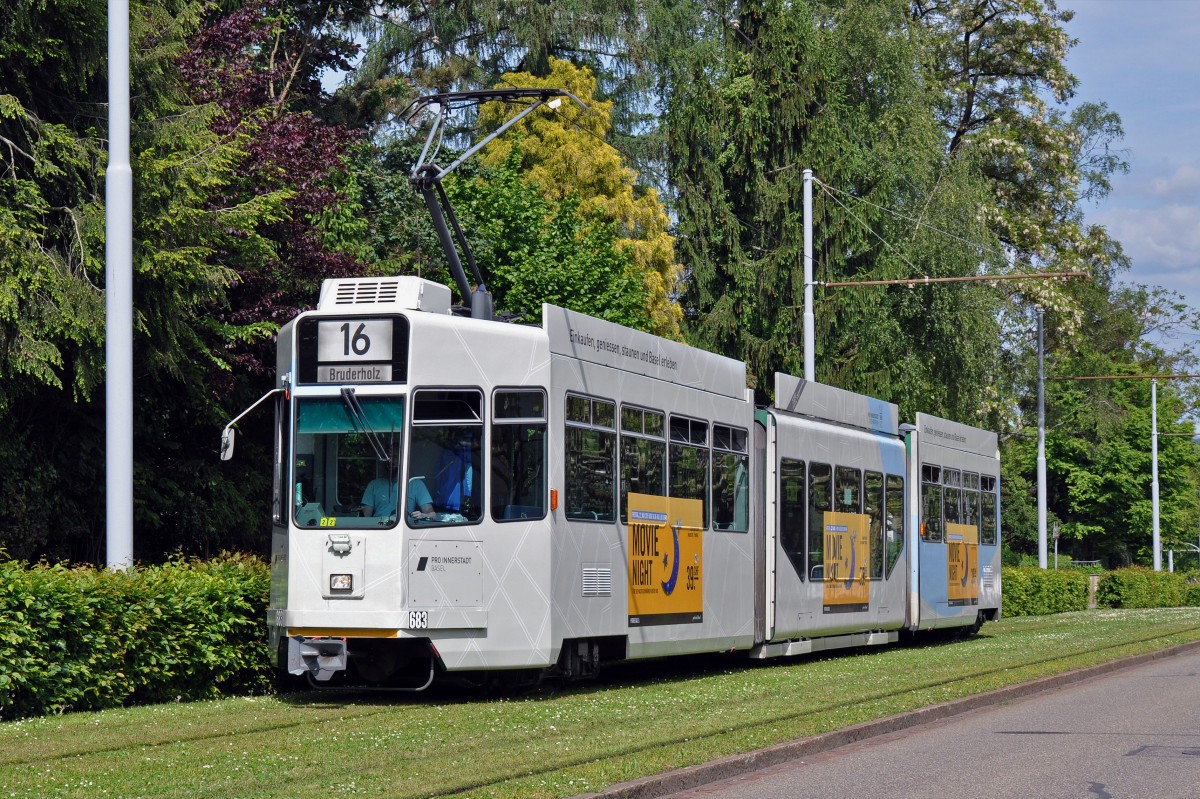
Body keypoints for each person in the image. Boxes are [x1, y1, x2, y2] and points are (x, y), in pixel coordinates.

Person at [433, 430, 474, 514]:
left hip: (443, 497)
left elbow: (437, 474)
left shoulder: (445, 451)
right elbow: (468, 472)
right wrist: (468, 494)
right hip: (456, 499)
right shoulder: (463, 452)